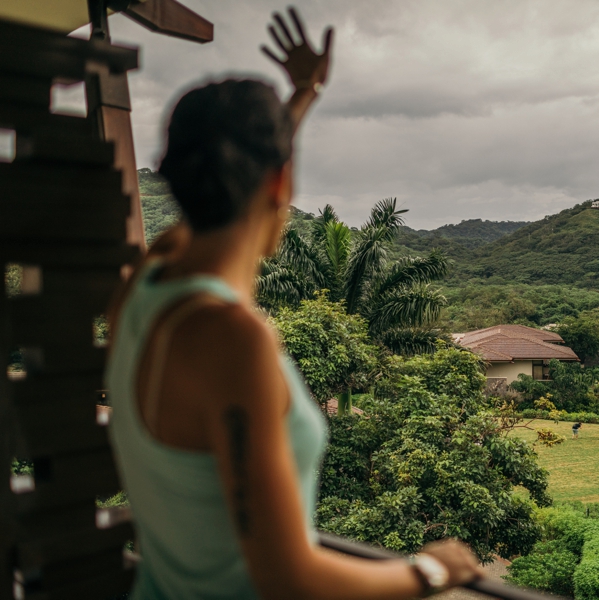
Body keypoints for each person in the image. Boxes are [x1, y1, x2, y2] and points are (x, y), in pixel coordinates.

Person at [105, 8, 480, 599]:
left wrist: (302, 96)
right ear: (279, 184)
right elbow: (285, 577)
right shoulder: (232, 340)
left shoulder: (144, 289)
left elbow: (232, 198)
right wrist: (433, 570)